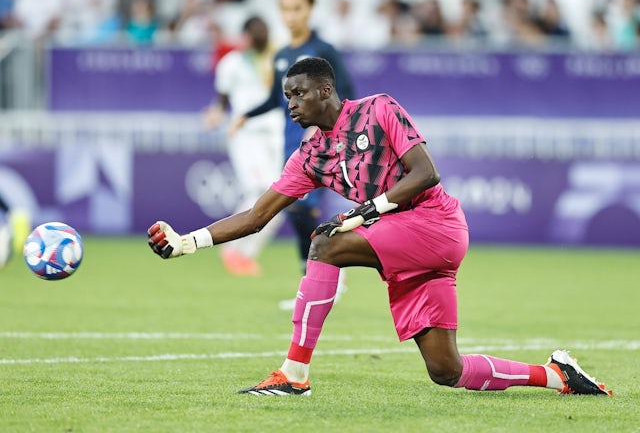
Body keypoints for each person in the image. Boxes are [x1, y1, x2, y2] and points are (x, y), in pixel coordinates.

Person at [148, 56, 612, 398]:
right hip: (406, 246)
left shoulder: (378, 108)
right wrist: (186, 243)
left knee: (325, 245)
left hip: (436, 224)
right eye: (286, 96)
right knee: (446, 370)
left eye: (297, 94)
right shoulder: (310, 156)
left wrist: (366, 212)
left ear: (325, 90)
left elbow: (426, 173)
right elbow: (255, 217)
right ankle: (557, 374)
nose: (290, 104)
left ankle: (293, 374)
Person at [230, 0, 354, 309]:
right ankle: (317, 282)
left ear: (310, 10)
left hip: (323, 145)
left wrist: (337, 133)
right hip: (292, 147)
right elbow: (275, 98)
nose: (291, 15)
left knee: (302, 209)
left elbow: (348, 93)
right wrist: (245, 115)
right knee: (299, 214)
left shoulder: (324, 50)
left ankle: (327, 276)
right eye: (285, 9)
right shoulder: (282, 55)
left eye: (297, 8)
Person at [203, 15, 285, 276]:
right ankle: (231, 247)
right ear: (247, 36)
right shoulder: (232, 63)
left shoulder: (278, 59)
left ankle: (244, 254)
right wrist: (216, 112)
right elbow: (222, 99)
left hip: (276, 134)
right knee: (259, 192)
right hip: (246, 134)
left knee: (282, 199)